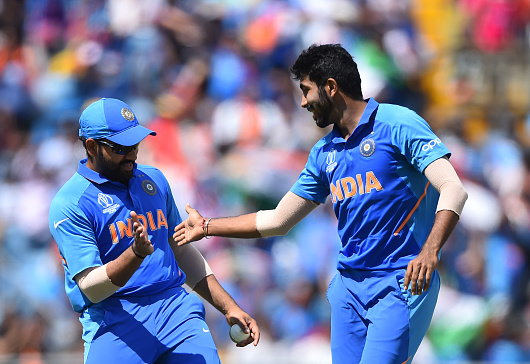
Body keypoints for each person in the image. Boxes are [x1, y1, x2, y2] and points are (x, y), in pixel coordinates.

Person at [173, 44, 468, 364]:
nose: (302, 102)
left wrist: (430, 251)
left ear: (330, 87)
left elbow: (453, 188)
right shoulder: (324, 153)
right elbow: (278, 220)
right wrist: (207, 226)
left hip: (402, 281)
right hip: (348, 289)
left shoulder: (397, 123)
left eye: (306, 91)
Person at [48, 97, 259, 364]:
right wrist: (135, 254)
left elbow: (180, 250)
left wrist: (228, 307)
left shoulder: (154, 179)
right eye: (121, 147)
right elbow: (92, 288)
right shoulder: (70, 203)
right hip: (115, 320)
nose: (133, 153)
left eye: (135, 143)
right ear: (91, 146)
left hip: (175, 310)